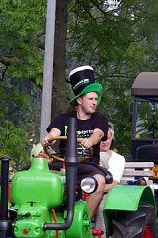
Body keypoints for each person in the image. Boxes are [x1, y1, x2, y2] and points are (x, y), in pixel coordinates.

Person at [41, 65, 109, 218]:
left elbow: (98, 134)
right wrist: (48, 139)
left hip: (87, 165)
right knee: (32, 172)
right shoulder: (63, 119)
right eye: (90, 99)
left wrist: (91, 140)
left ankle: (84, 221)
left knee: (99, 181)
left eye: (96, 99)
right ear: (79, 100)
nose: (94, 102)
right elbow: (54, 133)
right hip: (63, 164)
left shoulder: (100, 120)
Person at [99, 126, 125, 192]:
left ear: (111, 139)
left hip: (106, 194)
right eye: (101, 139)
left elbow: (113, 184)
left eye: (107, 138)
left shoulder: (118, 159)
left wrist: (94, 190)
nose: (104, 142)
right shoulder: (86, 156)